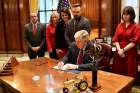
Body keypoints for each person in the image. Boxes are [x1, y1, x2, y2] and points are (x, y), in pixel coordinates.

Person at [112, 6, 140, 79]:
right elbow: (115, 39)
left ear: (132, 15)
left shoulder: (136, 26)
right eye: (124, 14)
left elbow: (134, 42)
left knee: (128, 75)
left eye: (127, 14)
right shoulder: (119, 25)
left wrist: (123, 50)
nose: (125, 16)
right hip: (119, 52)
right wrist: (119, 50)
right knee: (118, 74)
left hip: (130, 53)